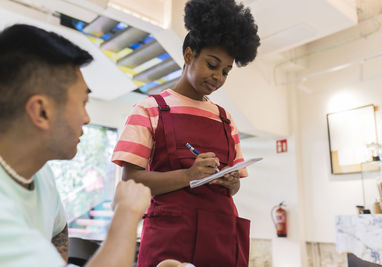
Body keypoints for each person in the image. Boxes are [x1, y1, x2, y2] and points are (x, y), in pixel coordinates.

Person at [111, 0, 260, 266]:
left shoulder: (225, 118)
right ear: (189, 55)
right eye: (212, 65)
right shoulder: (149, 109)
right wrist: (189, 175)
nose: (218, 77)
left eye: (226, 71)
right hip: (171, 240)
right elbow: (131, 180)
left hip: (221, 238)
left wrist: (231, 183)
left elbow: (234, 188)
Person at [0, 24, 151, 267]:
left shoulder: (41, 176)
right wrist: (127, 213)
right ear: (42, 111)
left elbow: (58, 229)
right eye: (83, 102)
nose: (87, 118)